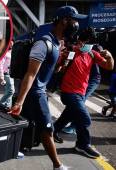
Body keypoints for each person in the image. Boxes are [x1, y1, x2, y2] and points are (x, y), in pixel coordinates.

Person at [9, 6, 86, 170]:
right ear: (64, 21)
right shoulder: (43, 43)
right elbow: (30, 74)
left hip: (38, 91)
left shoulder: (58, 43)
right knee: (47, 128)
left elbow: (51, 69)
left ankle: (13, 149)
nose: (77, 24)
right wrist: (19, 101)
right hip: (36, 92)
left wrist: (62, 64)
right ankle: (57, 165)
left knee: (23, 124)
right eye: (74, 20)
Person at [53, 27, 114, 158]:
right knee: (84, 119)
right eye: (82, 42)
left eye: (88, 44)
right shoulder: (70, 51)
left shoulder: (92, 53)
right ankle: (82, 145)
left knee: (68, 115)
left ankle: (52, 131)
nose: (84, 46)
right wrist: (62, 61)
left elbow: (109, 66)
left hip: (80, 92)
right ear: (79, 41)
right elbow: (58, 69)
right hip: (68, 92)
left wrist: (109, 57)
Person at [0, 41, 14, 110]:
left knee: (8, 91)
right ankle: (1, 103)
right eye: (10, 43)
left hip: (10, 74)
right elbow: (0, 65)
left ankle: (8, 106)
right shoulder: (4, 53)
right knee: (11, 91)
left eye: (12, 43)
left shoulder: (11, 52)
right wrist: (1, 76)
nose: (11, 44)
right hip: (6, 74)